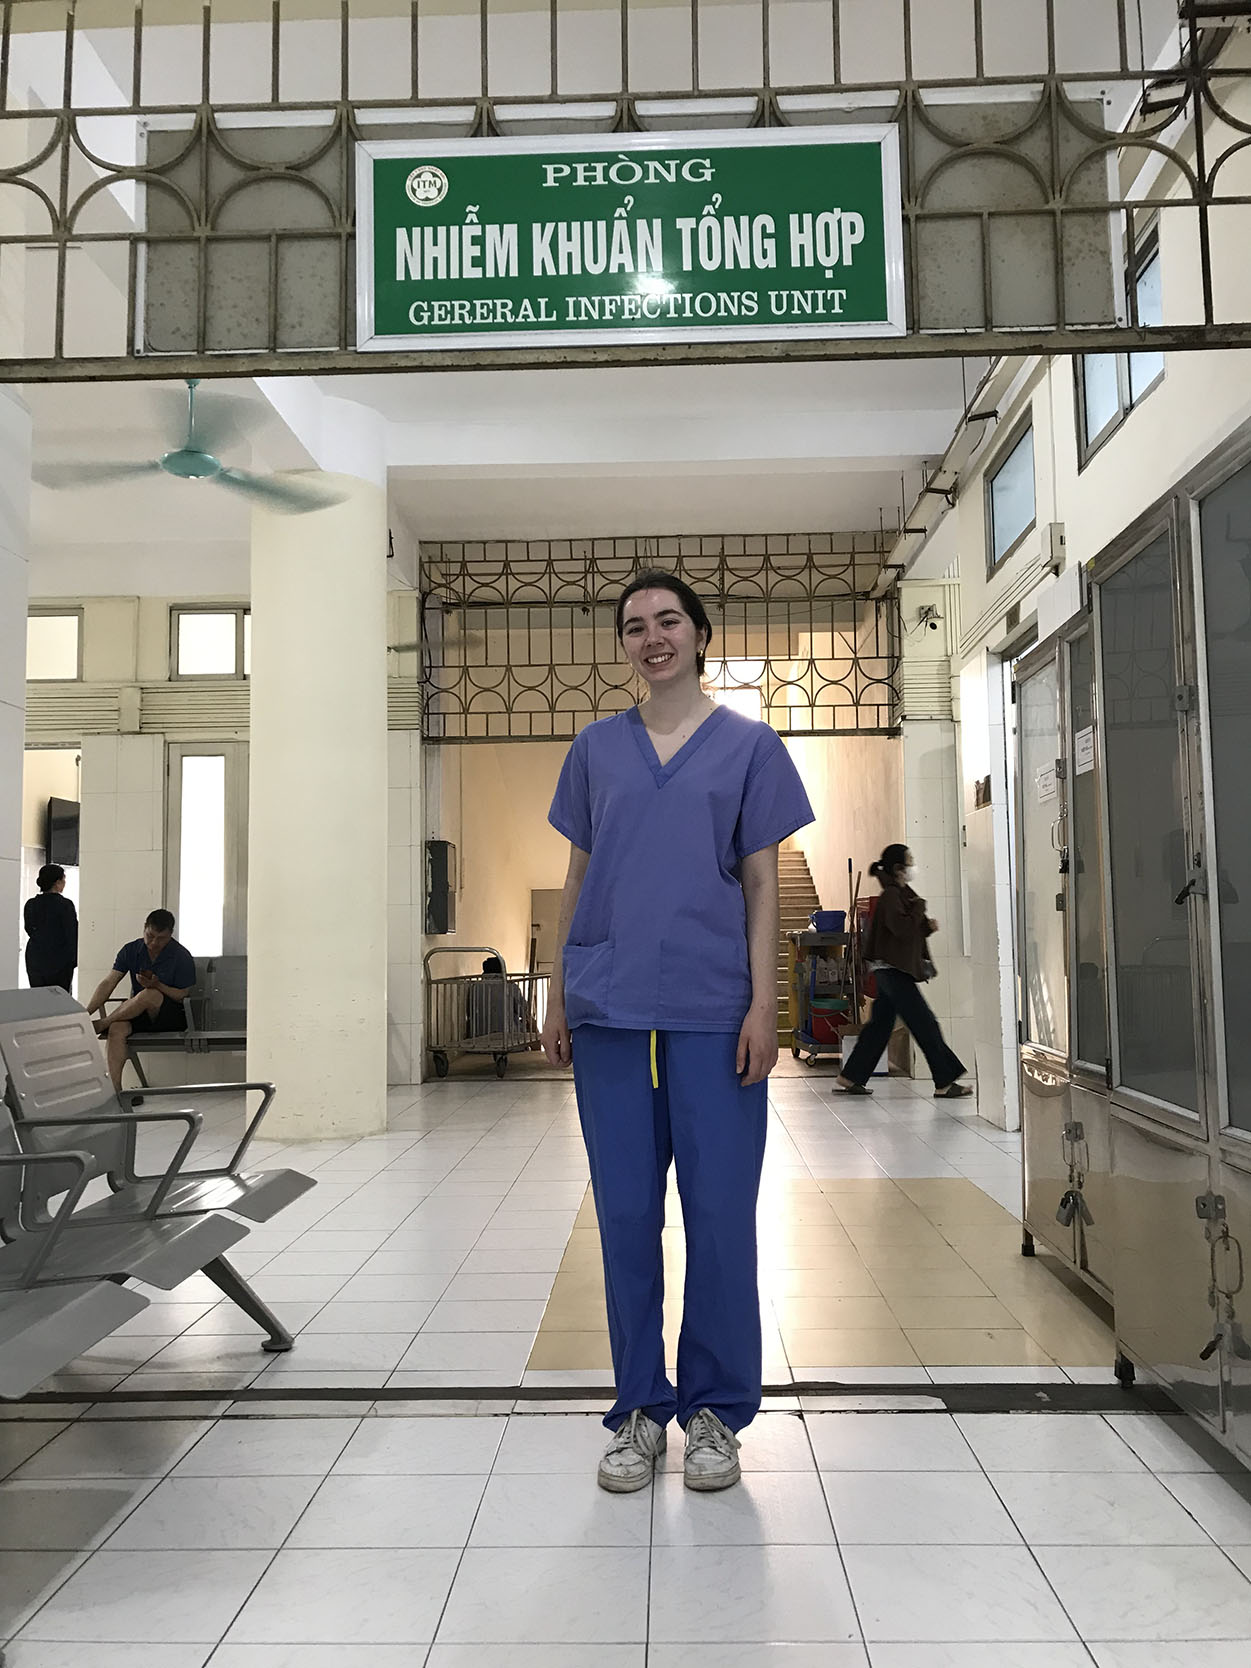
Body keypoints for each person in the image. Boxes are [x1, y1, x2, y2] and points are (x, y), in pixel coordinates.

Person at [541, 569, 814, 1495]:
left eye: (667, 621)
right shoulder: (594, 750)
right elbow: (577, 876)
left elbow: (765, 886)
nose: (650, 637)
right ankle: (638, 1413)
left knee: (720, 1219)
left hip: (709, 1014)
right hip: (610, 1006)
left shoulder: (749, 748)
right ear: (622, 646)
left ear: (699, 634)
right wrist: (554, 989)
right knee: (623, 1219)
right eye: (632, 627)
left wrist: (763, 1007)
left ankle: (713, 1414)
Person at [836, 842, 972, 1099]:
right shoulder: (891, 896)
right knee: (924, 1023)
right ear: (898, 869)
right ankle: (944, 1081)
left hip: (888, 971)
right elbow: (901, 930)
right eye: (909, 862)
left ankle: (851, 1076)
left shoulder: (897, 894)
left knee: (880, 1026)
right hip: (893, 971)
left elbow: (902, 932)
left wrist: (925, 927)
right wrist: (919, 909)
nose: (912, 867)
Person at [84, 909, 197, 1091]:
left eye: (161, 939)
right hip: (139, 1012)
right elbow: (109, 982)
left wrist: (157, 985)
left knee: (149, 994)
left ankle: (103, 1023)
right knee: (117, 1028)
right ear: (144, 928)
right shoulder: (131, 950)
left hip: (171, 1015)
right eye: (150, 936)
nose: (154, 943)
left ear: (170, 935)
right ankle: (115, 1090)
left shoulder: (181, 955)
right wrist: (86, 1012)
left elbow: (182, 994)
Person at [23, 863, 77, 993]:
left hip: (36, 957)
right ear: (57, 882)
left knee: (39, 997)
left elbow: (29, 929)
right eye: (63, 880)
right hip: (60, 959)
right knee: (59, 998)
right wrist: (73, 959)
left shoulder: (31, 904)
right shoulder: (65, 905)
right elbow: (72, 933)